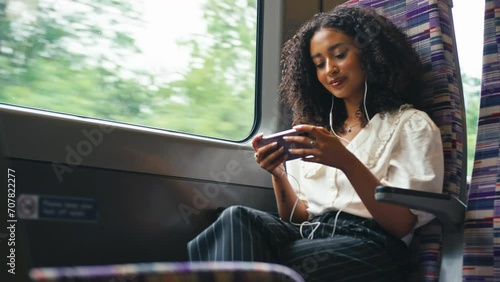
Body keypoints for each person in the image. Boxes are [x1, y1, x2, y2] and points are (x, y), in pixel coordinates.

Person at [187, 5, 444, 281]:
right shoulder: (317, 134)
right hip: (310, 234)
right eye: (319, 64)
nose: (330, 70)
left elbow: (401, 224)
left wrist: (344, 160)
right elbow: (297, 219)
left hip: (373, 245)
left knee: (258, 263)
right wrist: (278, 174)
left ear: (369, 55)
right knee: (234, 220)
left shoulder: (409, 124)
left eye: (339, 55)